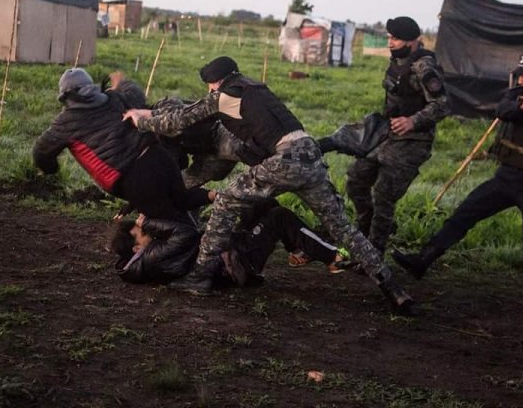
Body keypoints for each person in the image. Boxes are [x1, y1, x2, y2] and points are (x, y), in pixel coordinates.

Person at [123, 56, 416, 315]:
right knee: (343, 228)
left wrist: (140, 120)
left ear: (215, 82)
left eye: (209, 86)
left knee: (225, 201)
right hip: (310, 155)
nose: (209, 91)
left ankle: (199, 277)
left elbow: (178, 122)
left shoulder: (225, 95)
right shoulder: (257, 88)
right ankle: (393, 288)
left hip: (284, 160)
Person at [393, 52, 523, 308]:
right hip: (507, 177)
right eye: (521, 74)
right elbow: (502, 110)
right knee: (464, 214)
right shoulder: (519, 93)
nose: (522, 79)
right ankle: (422, 261)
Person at [320, 16, 451, 253]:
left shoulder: (424, 67)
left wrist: (413, 121)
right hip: (388, 135)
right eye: (389, 37)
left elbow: (442, 104)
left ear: (412, 42)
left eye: (396, 38)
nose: (390, 42)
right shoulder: (398, 62)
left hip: (414, 141)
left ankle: (375, 250)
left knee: (384, 194)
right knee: (356, 179)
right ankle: (366, 227)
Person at [33, 68, 210, 221]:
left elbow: (41, 152)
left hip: (132, 177)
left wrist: (51, 169)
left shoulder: (64, 123)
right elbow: (137, 96)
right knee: (182, 202)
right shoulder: (114, 98)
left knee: (168, 224)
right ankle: (219, 201)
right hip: (159, 156)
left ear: (65, 96)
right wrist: (121, 83)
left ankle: (199, 252)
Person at [111, 198, 348, 286]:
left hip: (227, 252)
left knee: (263, 204)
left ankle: (299, 250)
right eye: (142, 232)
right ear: (136, 247)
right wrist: (150, 222)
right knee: (279, 216)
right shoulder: (153, 257)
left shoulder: (148, 255)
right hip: (236, 264)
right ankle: (332, 258)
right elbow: (187, 234)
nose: (147, 231)